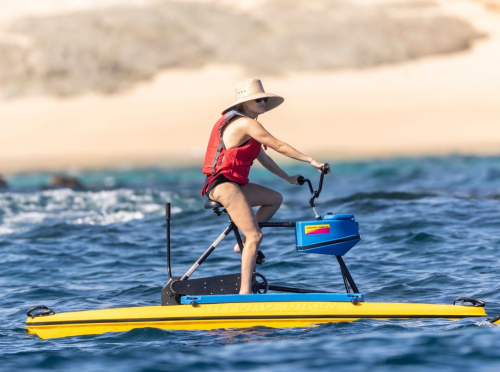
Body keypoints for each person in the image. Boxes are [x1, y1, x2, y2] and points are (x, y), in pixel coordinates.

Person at [201, 79, 329, 294]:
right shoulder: (245, 124)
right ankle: (245, 293)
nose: (263, 102)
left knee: (275, 199)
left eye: (264, 99)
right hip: (223, 185)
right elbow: (277, 145)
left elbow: (263, 157)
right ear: (244, 103)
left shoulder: (248, 126)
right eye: (258, 99)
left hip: (236, 184)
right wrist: (310, 160)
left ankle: (242, 242)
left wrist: (288, 178)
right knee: (256, 236)